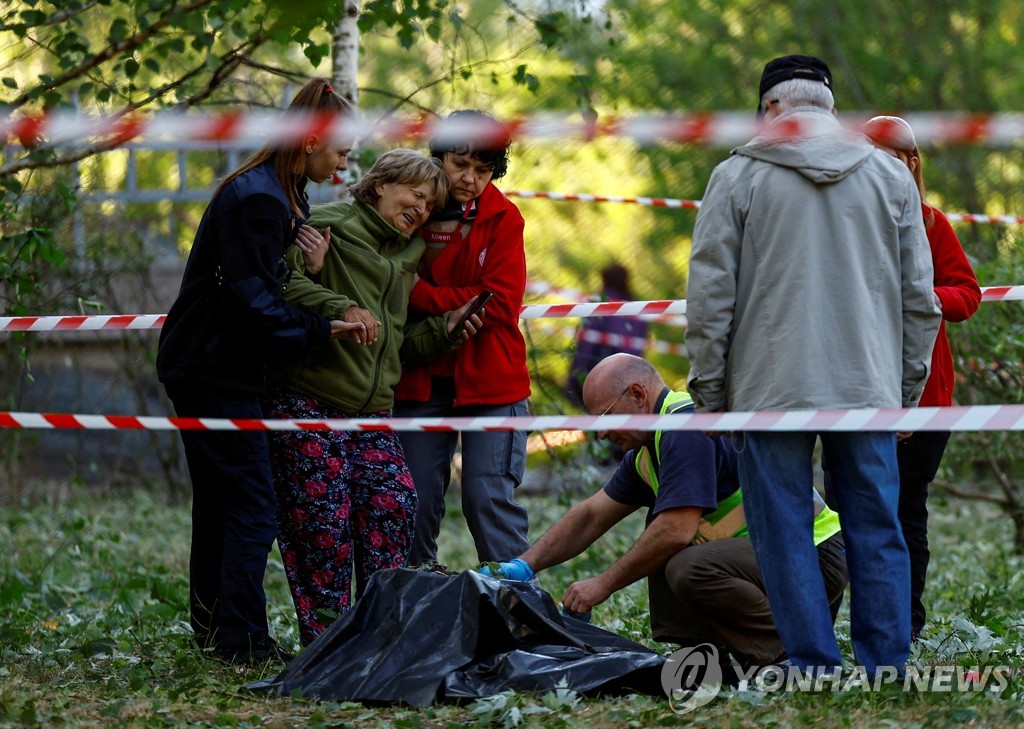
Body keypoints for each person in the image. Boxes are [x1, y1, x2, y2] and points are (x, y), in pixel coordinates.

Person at [685, 55, 941, 676]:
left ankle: (812, 666)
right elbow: (920, 297)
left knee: (784, 529)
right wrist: (907, 387)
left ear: (770, 108)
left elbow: (711, 295)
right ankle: (887, 667)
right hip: (867, 385)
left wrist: (712, 393)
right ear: (828, 108)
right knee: (877, 525)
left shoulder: (736, 177)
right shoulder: (890, 175)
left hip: (767, 387)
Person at [156, 78, 362, 664]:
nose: (345, 164)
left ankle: (213, 631)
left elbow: (262, 289)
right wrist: (322, 331)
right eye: (342, 152)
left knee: (221, 503)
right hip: (215, 370)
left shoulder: (283, 194)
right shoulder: (261, 199)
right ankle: (241, 641)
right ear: (312, 140)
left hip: (213, 364)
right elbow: (251, 300)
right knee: (253, 504)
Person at [480, 354, 848, 670]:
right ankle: (705, 657)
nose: (602, 436)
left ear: (638, 395)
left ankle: (790, 652)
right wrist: (525, 566)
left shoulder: (684, 428)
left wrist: (601, 585)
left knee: (679, 554)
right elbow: (592, 515)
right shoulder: (647, 452)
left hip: (814, 562)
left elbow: (676, 530)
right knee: (661, 534)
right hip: (776, 566)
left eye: (605, 419)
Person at [265, 149, 480, 647]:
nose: (422, 209)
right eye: (415, 194)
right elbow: (279, 280)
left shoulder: (408, 253)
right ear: (380, 184)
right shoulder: (324, 221)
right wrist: (338, 301)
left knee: (394, 503)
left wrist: (445, 331)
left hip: (373, 410)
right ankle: (327, 644)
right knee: (322, 525)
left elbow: (395, 341)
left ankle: (381, 637)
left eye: (430, 204)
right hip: (309, 397)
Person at [394, 110, 532, 566]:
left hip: (491, 380)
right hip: (420, 378)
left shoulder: (505, 219)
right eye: (460, 164)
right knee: (410, 502)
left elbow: (500, 303)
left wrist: (423, 295)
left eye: (483, 169)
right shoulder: (409, 206)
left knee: (487, 497)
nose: (470, 179)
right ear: (438, 156)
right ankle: (413, 607)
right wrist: (447, 304)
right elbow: (387, 283)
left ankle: (523, 615)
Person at [862, 116, 982, 640]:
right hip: (858, 391)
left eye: (896, 160)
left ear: (913, 163)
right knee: (853, 510)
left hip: (926, 394)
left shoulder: (933, 224)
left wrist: (927, 298)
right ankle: (857, 621)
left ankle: (904, 626)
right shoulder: (847, 228)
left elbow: (968, 294)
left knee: (908, 511)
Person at [565, 263, 649, 410]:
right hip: (631, 375)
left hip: (599, 371)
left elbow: (586, 345)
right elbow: (639, 346)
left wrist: (574, 379)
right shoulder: (636, 308)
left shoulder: (599, 304)